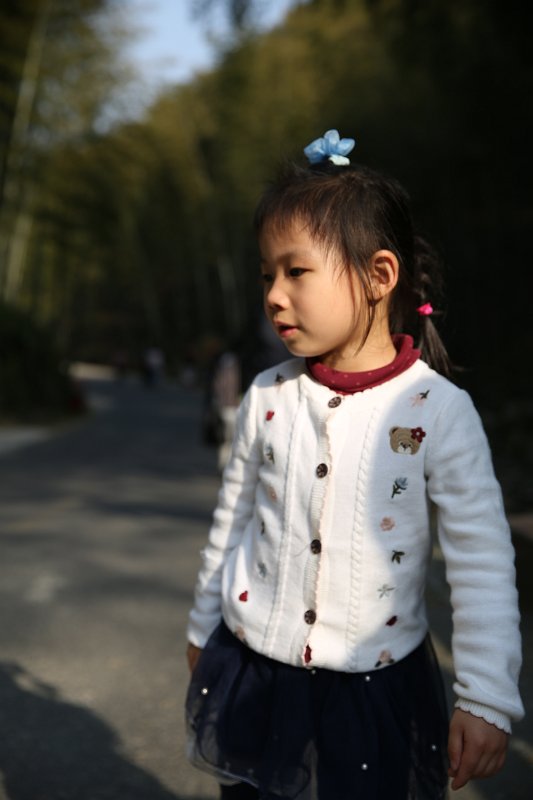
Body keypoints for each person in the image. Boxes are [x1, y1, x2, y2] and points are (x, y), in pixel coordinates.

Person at [184, 130, 524, 799]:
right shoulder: (267, 395)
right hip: (254, 668)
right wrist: (201, 624)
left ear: (378, 276)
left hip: (373, 688)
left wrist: (486, 695)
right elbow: (232, 521)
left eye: (296, 271)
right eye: (266, 275)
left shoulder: (437, 410)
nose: (273, 294)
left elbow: (480, 559)